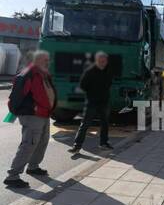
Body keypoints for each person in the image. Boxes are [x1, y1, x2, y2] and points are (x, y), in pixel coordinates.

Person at [4, 50, 56, 188]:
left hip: (44, 114)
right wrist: (24, 111)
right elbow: (15, 98)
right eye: (45, 60)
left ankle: (33, 166)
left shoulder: (42, 73)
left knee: (42, 142)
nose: (48, 62)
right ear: (37, 60)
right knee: (29, 144)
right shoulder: (28, 74)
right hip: (33, 116)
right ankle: (12, 176)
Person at [68, 51, 113, 153]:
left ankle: (104, 143)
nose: (102, 63)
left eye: (104, 61)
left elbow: (110, 83)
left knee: (105, 123)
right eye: (100, 61)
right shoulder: (89, 71)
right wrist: (92, 92)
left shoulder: (109, 70)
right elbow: (83, 85)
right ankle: (77, 145)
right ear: (96, 60)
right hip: (92, 101)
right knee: (85, 124)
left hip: (104, 101)